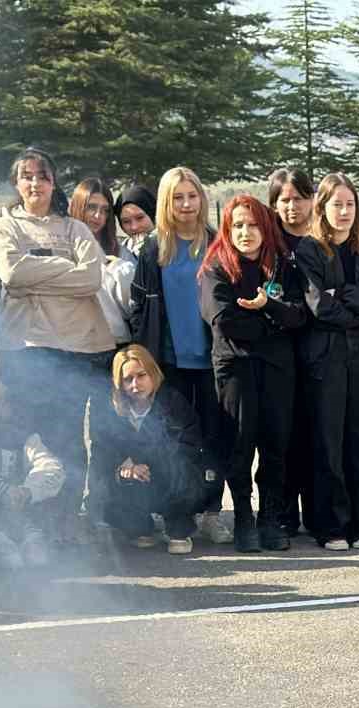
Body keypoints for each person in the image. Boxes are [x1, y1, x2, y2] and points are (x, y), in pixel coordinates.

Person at [0, 147, 115, 542]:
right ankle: (31, 525)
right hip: (27, 349)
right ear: (16, 183)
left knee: (70, 439)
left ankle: (66, 520)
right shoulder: (3, 226)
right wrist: (64, 269)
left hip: (76, 349)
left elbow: (92, 278)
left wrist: (38, 273)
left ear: (52, 182)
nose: (35, 183)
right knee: (31, 438)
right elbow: (12, 272)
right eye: (27, 176)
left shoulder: (74, 229)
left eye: (42, 176)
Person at [199, 194, 308, 553]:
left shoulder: (283, 266)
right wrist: (272, 322)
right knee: (240, 445)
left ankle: (270, 518)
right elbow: (225, 321)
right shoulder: (217, 266)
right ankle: (244, 516)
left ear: (266, 227)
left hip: (277, 369)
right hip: (236, 369)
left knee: (276, 445)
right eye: (238, 225)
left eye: (253, 224)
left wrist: (268, 307)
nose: (246, 232)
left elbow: (299, 316)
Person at [130, 166, 230, 545]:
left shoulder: (217, 242)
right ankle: (179, 517)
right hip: (169, 363)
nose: (186, 204)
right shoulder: (155, 247)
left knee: (214, 439)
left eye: (192, 196)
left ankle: (211, 512)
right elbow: (139, 307)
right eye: (178, 197)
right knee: (175, 442)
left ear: (202, 199)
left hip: (213, 362)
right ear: (166, 203)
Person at [298, 171, 359, 552]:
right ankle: (332, 526)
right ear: (322, 207)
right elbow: (319, 305)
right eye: (336, 203)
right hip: (327, 360)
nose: (344, 211)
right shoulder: (309, 250)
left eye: (350, 204)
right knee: (328, 444)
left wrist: (348, 295)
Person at [89, 345, 207, 554]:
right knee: (107, 483)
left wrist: (148, 463)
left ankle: (178, 526)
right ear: (119, 383)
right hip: (133, 479)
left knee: (184, 471)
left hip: (167, 474)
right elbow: (101, 447)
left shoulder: (173, 401)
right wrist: (123, 466)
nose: (136, 385)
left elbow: (189, 445)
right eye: (128, 379)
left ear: (153, 373)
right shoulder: (110, 410)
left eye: (141, 375)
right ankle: (139, 526)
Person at [0, 360, 64, 570]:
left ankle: (31, 536)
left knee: (37, 557)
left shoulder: (22, 434)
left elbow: (50, 466)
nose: (6, 408)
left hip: (17, 510)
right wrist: (0, 489)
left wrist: (27, 491)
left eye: (10, 401)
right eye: (0, 400)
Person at [269, 166, 319, 540]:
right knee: (282, 435)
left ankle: (319, 513)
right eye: (283, 200)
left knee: (317, 435)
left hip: (321, 351)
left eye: (299, 198)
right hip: (280, 353)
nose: (291, 207)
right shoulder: (269, 245)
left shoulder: (322, 241)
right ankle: (283, 512)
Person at [68, 178, 135, 347]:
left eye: (105, 210)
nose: (98, 216)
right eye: (91, 207)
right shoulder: (62, 248)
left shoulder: (120, 252)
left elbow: (134, 308)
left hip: (115, 344)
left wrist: (122, 272)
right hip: (72, 346)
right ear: (78, 205)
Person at [115, 184, 157, 257]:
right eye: (126, 221)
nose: (134, 227)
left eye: (140, 218)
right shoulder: (119, 253)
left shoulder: (174, 246)